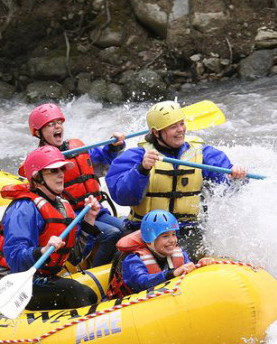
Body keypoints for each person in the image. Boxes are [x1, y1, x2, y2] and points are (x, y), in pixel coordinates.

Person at [105, 100, 247, 259]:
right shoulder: (136, 156)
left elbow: (226, 189)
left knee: (183, 258)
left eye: (181, 124)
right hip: (145, 230)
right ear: (156, 133)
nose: (181, 130)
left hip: (186, 230)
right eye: (173, 127)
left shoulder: (203, 154)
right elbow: (122, 196)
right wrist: (141, 170)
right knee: (128, 261)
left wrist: (235, 178)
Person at [0, 145, 102, 310]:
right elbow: (15, 259)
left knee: (89, 294)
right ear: (37, 177)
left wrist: (89, 220)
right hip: (15, 281)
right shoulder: (23, 209)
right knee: (73, 291)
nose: (61, 174)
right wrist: (41, 251)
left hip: (42, 278)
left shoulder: (62, 206)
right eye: (53, 171)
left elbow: (74, 257)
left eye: (61, 169)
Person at [25, 103, 126, 267]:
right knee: (111, 234)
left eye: (59, 122)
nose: (57, 126)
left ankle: (117, 267)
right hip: (71, 216)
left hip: (94, 209)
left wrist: (114, 146)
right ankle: (97, 272)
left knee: (124, 229)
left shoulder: (76, 147)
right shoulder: (40, 160)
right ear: (39, 133)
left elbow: (100, 158)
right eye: (51, 124)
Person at [108, 210, 211, 297]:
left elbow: (188, 273)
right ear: (150, 240)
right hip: (129, 307)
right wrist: (171, 273)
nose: (172, 240)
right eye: (165, 236)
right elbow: (141, 283)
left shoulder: (180, 254)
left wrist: (200, 267)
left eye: (173, 234)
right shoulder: (133, 259)